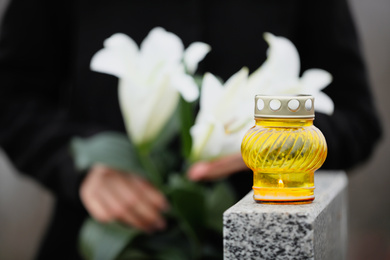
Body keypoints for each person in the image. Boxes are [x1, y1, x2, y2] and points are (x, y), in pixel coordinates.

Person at [0, 0, 382, 259]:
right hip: (98, 238)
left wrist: (276, 146)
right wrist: (81, 166)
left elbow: (358, 121)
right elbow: (12, 99)